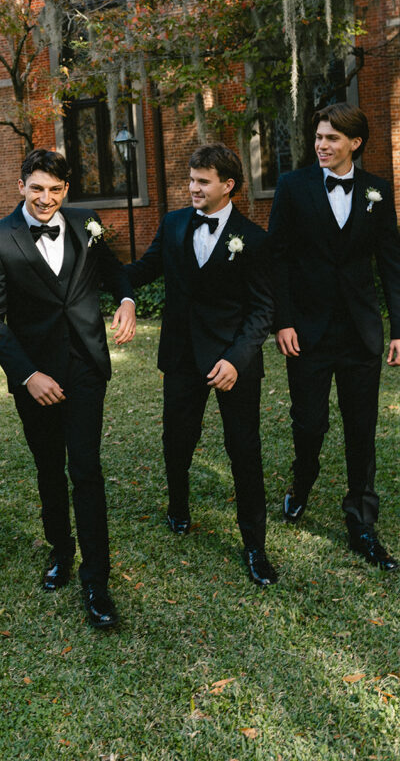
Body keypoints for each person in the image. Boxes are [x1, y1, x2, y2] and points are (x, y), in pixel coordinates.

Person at [0, 149, 136, 629]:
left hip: (86, 366)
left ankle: (97, 579)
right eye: (38, 188)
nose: (47, 199)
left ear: (67, 190)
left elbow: (114, 271)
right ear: (21, 185)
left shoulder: (88, 222)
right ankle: (61, 550)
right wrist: (28, 375)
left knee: (86, 468)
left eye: (56, 190)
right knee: (49, 467)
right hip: (36, 376)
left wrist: (126, 299)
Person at [123, 144, 278, 587]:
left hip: (234, 360)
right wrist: (109, 281)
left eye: (202, 181)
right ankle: (178, 506)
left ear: (228, 186)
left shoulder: (253, 238)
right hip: (182, 356)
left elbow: (262, 310)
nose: (192, 188)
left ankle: (254, 546)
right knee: (177, 439)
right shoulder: (173, 224)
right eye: (191, 180)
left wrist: (236, 359)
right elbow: (145, 268)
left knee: (244, 451)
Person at [268, 102, 400, 569]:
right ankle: (303, 479)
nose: (321, 145)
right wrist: (282, 321)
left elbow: (391, 262)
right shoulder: (292, 186)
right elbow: (279, 260)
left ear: (355, 143)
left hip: (360, 333)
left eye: (331, 138)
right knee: (310, 424)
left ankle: (361, 523)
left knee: (361, 429)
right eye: (318, 138)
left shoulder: (377, 191)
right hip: (305, 333)